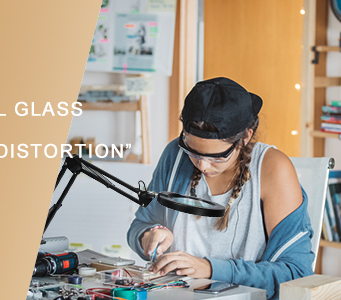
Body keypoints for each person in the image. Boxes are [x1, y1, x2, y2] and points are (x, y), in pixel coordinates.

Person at [126, 77, 314, 300]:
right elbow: (139, 226)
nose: (203, 165)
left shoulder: (273, 170)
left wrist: (210, 269)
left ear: (245, 137)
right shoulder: (175, 156)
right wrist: (148, 236)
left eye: (216, 156)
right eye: (193, 152)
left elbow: (297, 274)